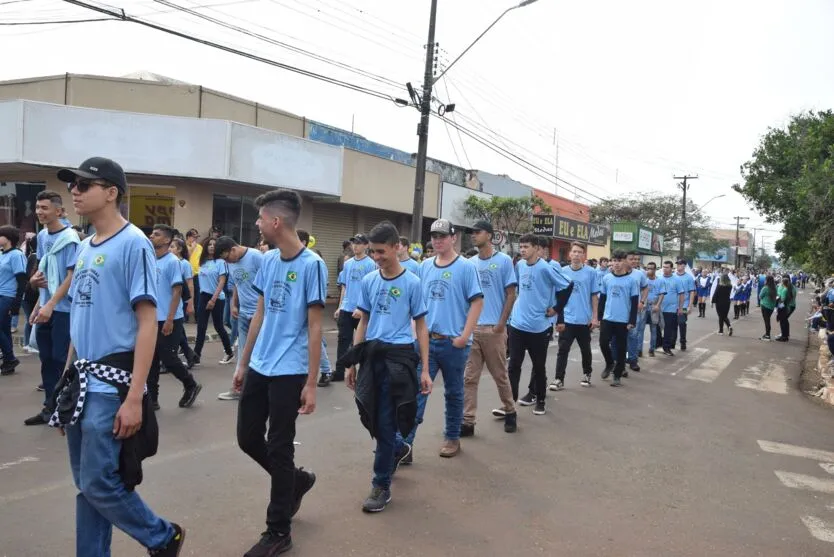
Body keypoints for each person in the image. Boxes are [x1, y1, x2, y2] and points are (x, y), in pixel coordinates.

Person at [57, 156, 185, 555]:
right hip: (82, 380)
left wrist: (135, 396)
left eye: (84, 185)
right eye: (73, 185)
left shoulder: (134, 244)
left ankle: (163, 536)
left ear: (111, 193)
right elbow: (80, 320)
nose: (75, 192)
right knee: (88, 486)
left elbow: (147, 322)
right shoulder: (83, 247)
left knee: (99, 483)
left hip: (112, 383)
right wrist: (65, 384)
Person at [232, 189, 323, 556]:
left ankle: (278, 530)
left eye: (259, 218)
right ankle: (296, 482)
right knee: (247, 437)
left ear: (276, 221)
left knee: (279, 446)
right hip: (260, 365)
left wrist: (312, 383)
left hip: (290, 369)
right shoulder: (267, 262)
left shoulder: (311, 264)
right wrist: (242, 362)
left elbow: (316, 327)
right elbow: (259, 313)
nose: (256, 224)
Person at [342, 221, 432, 513]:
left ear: (396, 247)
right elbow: (363, 322)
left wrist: (425, 370)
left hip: (399, 358)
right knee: (367, 412)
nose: (377, 257)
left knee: (385, 419)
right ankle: (397, 446)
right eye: (372, 252)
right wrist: (352, 363)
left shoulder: (413, 283)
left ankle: (381, 484)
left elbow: (420, 327)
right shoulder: (369, 280)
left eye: (381, 251)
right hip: (371, 356)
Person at [397, 219, 483, 459]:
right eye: (434, 236)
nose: (437, 240)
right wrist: (414, 332)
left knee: (454, 393)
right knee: (417, 392)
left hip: (454, 343)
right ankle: (406, 445)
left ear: (453, 238)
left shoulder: (466, 267)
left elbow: (477, 301)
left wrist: (465, 335)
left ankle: (452, 437)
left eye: (442, 236)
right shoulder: (424, 266)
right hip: (426, 342)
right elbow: (417, 304)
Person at [24, 191, 80, 425]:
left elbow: (71, 274)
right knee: (46, 359)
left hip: (64, 310)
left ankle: (67, 406)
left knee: (61, 360)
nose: (39, 212)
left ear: (59, 211)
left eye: (45, 208)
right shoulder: (43, 236)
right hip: (48, 306)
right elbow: (45, 273)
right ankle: (49, 407)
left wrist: (52, 304)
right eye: (37, 207)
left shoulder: (70, 238)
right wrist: (39, 303)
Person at [461, 221, 517, 436]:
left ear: (490, 236)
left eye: (478, 232)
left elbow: (511, 293)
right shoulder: (470, 263)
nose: (474, 236)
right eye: (472, 233)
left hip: (494, 329)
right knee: (470, 377)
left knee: (500, 374)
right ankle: (468, 421)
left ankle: (510, 411)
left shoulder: (503, 261)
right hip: (473, 329)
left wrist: (501, 324)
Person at [511, 234, 572, 414]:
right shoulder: (520, 265)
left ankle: (541, 400)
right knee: (514, 365)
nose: (522, 250)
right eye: (521, 246)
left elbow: (567, 286)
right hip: (517, 324)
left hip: (539, 327)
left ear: (537, 248)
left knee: (538, 365)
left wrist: (556, 309)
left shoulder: (546, 268)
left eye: (526, 247)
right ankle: (509, 403)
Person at [146, 224, 202, 410]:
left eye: (156, 234)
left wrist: (170, 319)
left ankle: (190, 384)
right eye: (152, 233)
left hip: (169, 318)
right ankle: (152, 399)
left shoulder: (172, 262)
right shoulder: (150, 259)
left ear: (167, 240)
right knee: (151, 359)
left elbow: (177, 291)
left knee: (168, 358)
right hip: (151, 318)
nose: (152, 236)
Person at [214, 235, 265, 400]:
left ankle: (261, 391)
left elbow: (268, 283)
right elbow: (236, 283)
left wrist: (260, 311)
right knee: (243, 353)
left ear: (233, 249)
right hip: (243, 313)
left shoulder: (256, 257)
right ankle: (239, 389)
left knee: (260, 353)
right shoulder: (231, 263)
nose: (227, 262)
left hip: (259, 315)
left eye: (227, 257)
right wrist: (234, 304)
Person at [550, 242, 599, 389]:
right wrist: (558, 317)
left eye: (580, 252)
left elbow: (594, 296)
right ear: (569, 254)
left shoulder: (591, 272)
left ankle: (587, 374)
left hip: (584, 319)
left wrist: (595, 317)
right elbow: (558, 296)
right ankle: (559, 379)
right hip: (567, 319)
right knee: (563, 350)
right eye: (574, 252)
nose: (577, 255)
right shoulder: (562, 271)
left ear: (584, 255)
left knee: (585, 349)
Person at [333, 234, 377, 382]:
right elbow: (344, 286)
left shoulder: (371, 264)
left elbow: (371, 288)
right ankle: (340, 371)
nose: (355, 246)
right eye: (354, 243)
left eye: (359, 243)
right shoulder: (348, 263)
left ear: (366, 246)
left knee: (362, 342)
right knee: (343, 340)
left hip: (361, 309)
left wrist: (366, 309)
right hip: (347, 307)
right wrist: (340, 306)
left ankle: (363, 371)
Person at [295, 230, 335, 387]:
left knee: (314, 338)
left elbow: (319, 289)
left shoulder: (314, 262)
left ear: (304, 242)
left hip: (309, 307)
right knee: (316, 339)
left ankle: (326, 370)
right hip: (297, 308)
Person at [597, 250, 639, 387]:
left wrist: (632, 320)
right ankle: (609, 363)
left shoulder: (631, 281)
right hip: (608, 318)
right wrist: (599, 316)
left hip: (623, 320)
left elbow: (634, 302)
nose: (616, 263)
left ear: (625, 261)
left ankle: (617, 374)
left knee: (621, 349)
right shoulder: (607, 278)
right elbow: (602, 298)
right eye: (614, 260)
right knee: (603, 343)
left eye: (620, 260)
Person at [193, 237, 234, 365]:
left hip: (217, 297)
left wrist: (213, 299)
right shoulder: (203, 262)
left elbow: (222, 282)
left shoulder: (221, 262)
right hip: (203, 296)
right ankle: (196, 356)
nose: (211, 246)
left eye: (214, 245)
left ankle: (229, 352)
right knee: (201, 327)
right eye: (209, 244)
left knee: (218, 327)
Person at [0, 226, 27, 375]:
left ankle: (9, 358)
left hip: (8, 296)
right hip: (1, 295)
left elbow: (22, 280)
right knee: (4, 329)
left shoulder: (16, 255)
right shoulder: (2, 254)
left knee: (3, 328)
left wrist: (16, 303)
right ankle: (8, 360)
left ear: (8, 237)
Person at [169, 237, 197, 368]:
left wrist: (190, 302)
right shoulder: (169, 261)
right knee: (179, 332)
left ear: (179, 249)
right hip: (169, 301)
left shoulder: (184, 263)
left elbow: (189, 284)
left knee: (177, 332)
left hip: (179, 301)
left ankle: (184, 357)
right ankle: (190, 355)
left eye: (172, 247)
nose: (170, 249)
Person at [659, 261, 685, 357]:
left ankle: (666, 347)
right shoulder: (659, 278)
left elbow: (681, 294)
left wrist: (681, 308)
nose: (665, 269)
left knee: (668, 329)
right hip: (658, 308)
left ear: (671, 268)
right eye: (664, 267)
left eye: (667, 267)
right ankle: (658, 343)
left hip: (671, 309)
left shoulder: (677, 279)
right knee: (657, 328)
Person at [642, 261, 666, 357]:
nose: (649, 270)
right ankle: (639, 350)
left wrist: (657, 305)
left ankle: (652, 349)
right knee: (640, 329)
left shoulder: (660, 280)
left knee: (654, 329)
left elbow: (662, 294)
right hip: (644, 306)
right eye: (648, 268)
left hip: (653, 306)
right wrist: (642, 302)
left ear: (655, 270)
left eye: (651, 268)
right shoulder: (644, 280)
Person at [672, 259, 697, 350]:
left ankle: (683, 342)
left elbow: (692, 292)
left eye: (680, 264)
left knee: (681, 322)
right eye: (677, 264)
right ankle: (672, 342)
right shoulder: (673, 276)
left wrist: (690, 306)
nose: (678, 265)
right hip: (673, 305)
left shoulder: (689, 278)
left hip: (684, 305)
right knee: (673, 324)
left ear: (684, 266)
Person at [22, 234, 39, 356]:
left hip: (29, 294)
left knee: (30, 319)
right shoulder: (35, 256)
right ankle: (28, 343)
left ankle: (28, 343)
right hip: (30, 295)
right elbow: (28, 275)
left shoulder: (31, 256)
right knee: (30, 319)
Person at [185, 229, 202, 322]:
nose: (195, 239)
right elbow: (186, 257)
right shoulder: (183, 246)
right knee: (186, 295)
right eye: (194, 237)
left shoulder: (199, 247)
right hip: (186, 275)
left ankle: (197, 318)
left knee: (197, 296)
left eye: (196, 237)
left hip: (197, 274)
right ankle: (185, 317)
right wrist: (192, 248)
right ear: (188, 237)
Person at [776, 276, 796, 342]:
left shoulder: (786, 289)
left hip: (786, 306)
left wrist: (778, 299)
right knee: (784, 320)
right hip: (789, 306)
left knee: (783, 321)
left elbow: (783, 299)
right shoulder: (790, 288)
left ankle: (784, 336)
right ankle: (786, 335)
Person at [759, 275, 777, 340]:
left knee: (766, 321)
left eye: (765, 279)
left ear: (767, 281)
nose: (764, 281)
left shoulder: (765, 288)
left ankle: (767, 335)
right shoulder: (774, 288)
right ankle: (767, 334)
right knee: (767, 320)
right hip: (771, 307)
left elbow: (760, 296)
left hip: (765, 306)